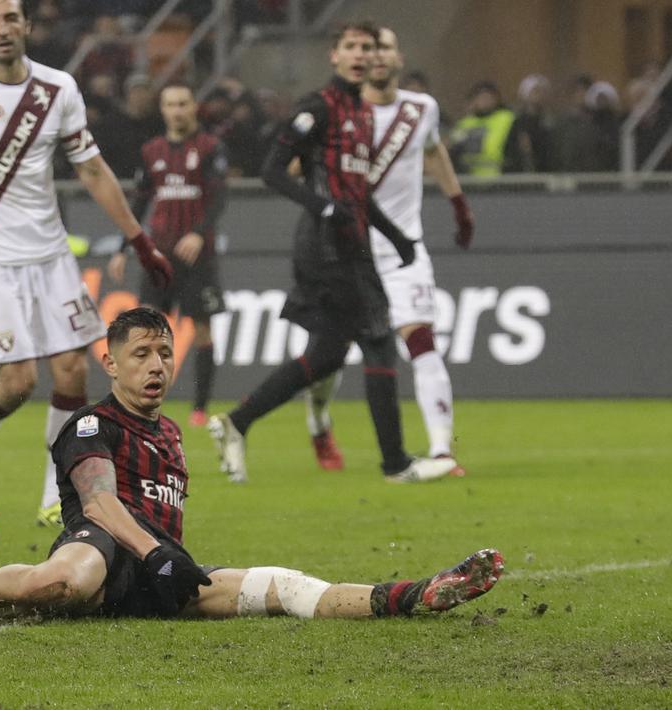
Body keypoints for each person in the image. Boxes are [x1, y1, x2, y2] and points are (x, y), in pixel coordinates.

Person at [0, 308, 503, 622]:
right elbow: (100, 503)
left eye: (164, 353)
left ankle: (413, 595)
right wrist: (155, 551)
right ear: (111, 363)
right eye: (141, 354)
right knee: (62, 582)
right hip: (105, 550)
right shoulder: (91, 424)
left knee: (284, 588)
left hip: (161, 574)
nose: (157, 365)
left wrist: (168, 563)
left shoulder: (168, 433)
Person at [0, 0, 172, 527]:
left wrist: (140, 239)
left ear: (28, 26)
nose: (2, 28)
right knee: (17, 382)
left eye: (11, 18)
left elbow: (94, 170)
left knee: (72, 370)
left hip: (53, 252)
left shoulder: (57, 89)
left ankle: (55, 497)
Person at [207, 21, 457, 484]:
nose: (361, 55)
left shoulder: (361, 114)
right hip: (325, 248)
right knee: (379, 341)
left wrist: (397, 237)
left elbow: (358, 195)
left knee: (326, 357)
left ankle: (237, 422)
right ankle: (396, 464)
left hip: (351, 244)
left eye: (368, 47)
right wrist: (323, 206)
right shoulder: (318, 107)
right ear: (335, 56)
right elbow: (272, 170)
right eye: (352, 47)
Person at [300, 27, 474, 474]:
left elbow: (433, 152)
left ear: (399, 57)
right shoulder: (338, 112)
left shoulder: (422, 109)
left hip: (402, 251)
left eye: (385, 48)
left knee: (422, 341)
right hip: (346, 252)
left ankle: (442, 450)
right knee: (329, 358)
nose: (377, 56)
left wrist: (458, 205)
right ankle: (319, 421)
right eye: (369, 48)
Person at [107, 81, 229, 427]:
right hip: (158, 257)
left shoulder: (210, 148)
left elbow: (219, 198)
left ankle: (199, 408)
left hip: (197, 257)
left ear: (193, 107)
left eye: (183, 103)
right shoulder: (152, 151)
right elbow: (140, 202)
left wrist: (198, 233)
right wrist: (122, 248)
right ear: (162, 110)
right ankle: (137, 403)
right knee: (143, 330)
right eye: (171, 104)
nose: (177, 110)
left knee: (202, 329)